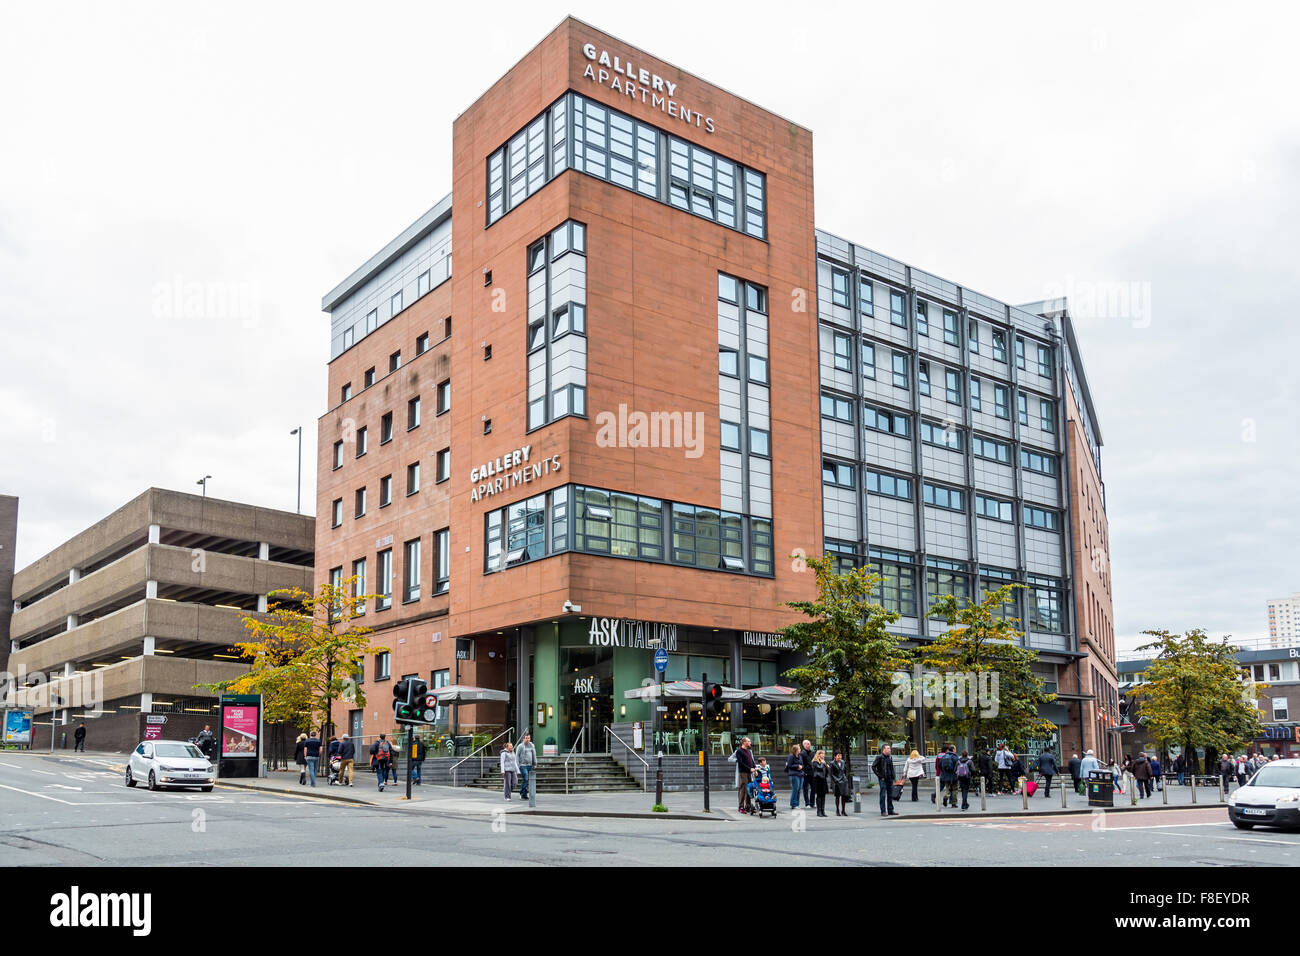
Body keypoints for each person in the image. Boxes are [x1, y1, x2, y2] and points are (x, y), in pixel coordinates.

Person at [871, 744, 898, 817]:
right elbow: (873, 767)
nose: (889, 750)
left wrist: (893, 777)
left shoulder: (890, 757)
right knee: (883, 795)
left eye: (889, 748)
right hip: (883, 779)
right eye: (888, 748)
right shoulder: (879, 757)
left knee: (890, 795)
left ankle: (890, 810)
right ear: (884, 749)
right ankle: (883, 811)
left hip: (890, 779)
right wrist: (879, 776)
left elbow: (891, 768)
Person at [734, 737, 757, 814]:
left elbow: (752, 761)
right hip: (743, 772)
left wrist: (755, 769)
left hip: (749, 773)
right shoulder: (739, 751)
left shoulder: (749, 751)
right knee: (743, 789)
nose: (750, 742)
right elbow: (741, 763)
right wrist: (749, 769)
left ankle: (748, 806)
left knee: (749, 789)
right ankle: (741, 807)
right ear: (744, 743)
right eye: (748, 741)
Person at [808, 749, 830, 817]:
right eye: (822, 754)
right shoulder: (815, 762)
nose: (823, 755)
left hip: (823, 780)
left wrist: (827, 768)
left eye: (824, 754)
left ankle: (823, 810)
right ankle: (819, 811)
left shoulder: (823, 762)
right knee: (819, 796)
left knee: (823, 796)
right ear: (818, 755)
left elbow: (825, 772)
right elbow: (819, 768)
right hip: (817, 780)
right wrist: (824, 764)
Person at [828, 751, 851, 816]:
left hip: (843, 781)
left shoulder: (843, 762)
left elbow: (845, 771)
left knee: (844, 796)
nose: (840, 757)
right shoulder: (832, 763)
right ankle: (837, 810)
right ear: (835, 756)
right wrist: (836, 780)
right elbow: (831, 774)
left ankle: (843, 810)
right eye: (838, 755)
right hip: (837, 782)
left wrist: (845, 778)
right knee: (837, 796)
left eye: (840, 755)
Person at [516, 732, 537, 799]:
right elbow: (517, 756)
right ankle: (522, 794)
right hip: (523, 765)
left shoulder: (532, 745)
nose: (527, 739)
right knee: (526, 778)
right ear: (523, 739)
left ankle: (524, 794)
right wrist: (517, 766)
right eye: (526, 738)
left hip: (530, 765)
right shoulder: (520, 746)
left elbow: (534, 755)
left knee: (527, 780)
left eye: (528, 738)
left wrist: (535, 764)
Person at [785, 744, 805, 810]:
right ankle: (793, 804)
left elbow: (802, 764)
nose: (800, 750)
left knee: (799, 790)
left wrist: (801, 766)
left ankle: (797, 804)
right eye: (799, 749)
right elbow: (789, 765)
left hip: (800, 774)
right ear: (795, 750)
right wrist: (797, 766)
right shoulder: (791, 756)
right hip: (794, 775)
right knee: (795, 789)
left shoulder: (800, 756)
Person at [799, 739, 815, 808]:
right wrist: (804, 771)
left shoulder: (813, 753)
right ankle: (807, 803)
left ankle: (812, 803)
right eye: (807, 744)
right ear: (804, 745)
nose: (808, 745)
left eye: (809, 744)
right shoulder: (802, 753)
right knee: (805, 789)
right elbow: (801, 763)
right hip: (805, 773)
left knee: (813, 788)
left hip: (812, 773)